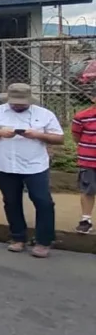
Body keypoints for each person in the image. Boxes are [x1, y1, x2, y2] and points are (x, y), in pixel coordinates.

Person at [0, 83, 64, 258]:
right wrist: (0, 133)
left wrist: (37, 135)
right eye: (15, 102)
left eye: (22, 103)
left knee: (43, 201)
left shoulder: (44, 114)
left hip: (35, 165)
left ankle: (44, 241)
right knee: (11, 201)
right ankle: (17, 237)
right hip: (5, 164)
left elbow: (59, 138)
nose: (18, 105)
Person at [71, 93, 96, 234]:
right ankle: (86, 220)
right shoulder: (82, 116)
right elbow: (76, 136)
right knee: (88, 189)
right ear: (93, 98)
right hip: (88, 160)